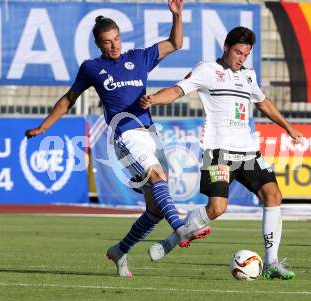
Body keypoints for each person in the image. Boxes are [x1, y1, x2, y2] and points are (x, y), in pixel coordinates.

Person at [25, 0, 210, 278]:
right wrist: (43, 127)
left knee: (155, 209)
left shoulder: (139, 58)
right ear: (99, 44)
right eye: (107, 42)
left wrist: (177, 15)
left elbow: (175, 42)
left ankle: (119, 251)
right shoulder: (91, 68)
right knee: (157, 178)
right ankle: (180, 226)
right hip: (125, 135)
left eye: (117, 39)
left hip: (150, 134)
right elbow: (68, 100)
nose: (114, 46)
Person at [140, 26, 303, 280]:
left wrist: (288, 127)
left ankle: (271, 263)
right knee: (217, 209)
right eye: (238, 52)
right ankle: (174, 238)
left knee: (273, 196)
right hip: (219, 153)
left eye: (246, 54)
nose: (241, 58)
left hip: (248, 153)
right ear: (226, 47)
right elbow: (177, 90)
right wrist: (153, 99)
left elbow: (263, 102)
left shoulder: (248, 75)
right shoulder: (207, 70)